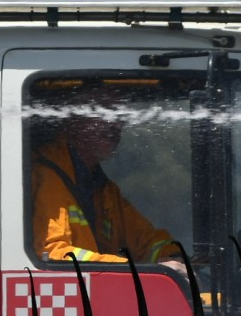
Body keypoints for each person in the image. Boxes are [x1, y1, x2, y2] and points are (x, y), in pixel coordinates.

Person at [30, 94, 179, 265]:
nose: (116, 125)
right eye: (105, 113)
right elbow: (51, 254)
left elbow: (145, 241)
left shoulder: (104, 190)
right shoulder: (46, 174)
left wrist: (174, 258)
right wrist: (129, 270)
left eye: (120, 117)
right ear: (73, 119)